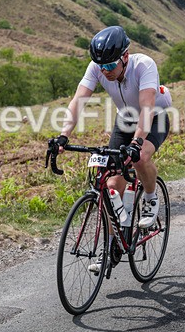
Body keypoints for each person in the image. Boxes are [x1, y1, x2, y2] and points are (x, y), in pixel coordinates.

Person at [53, 26, 173, 270]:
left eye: (109, 66)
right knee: (110, 187)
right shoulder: (97, 67)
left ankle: (150, 198)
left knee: (139, 158)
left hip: (154, 118)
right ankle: (111, 245)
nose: (104, 71)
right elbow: (78, 100)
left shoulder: (144, 65)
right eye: (101, 66)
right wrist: (63, 135)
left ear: (125, 57)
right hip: (125, 120)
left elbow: (147, 107)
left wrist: (137, 143)